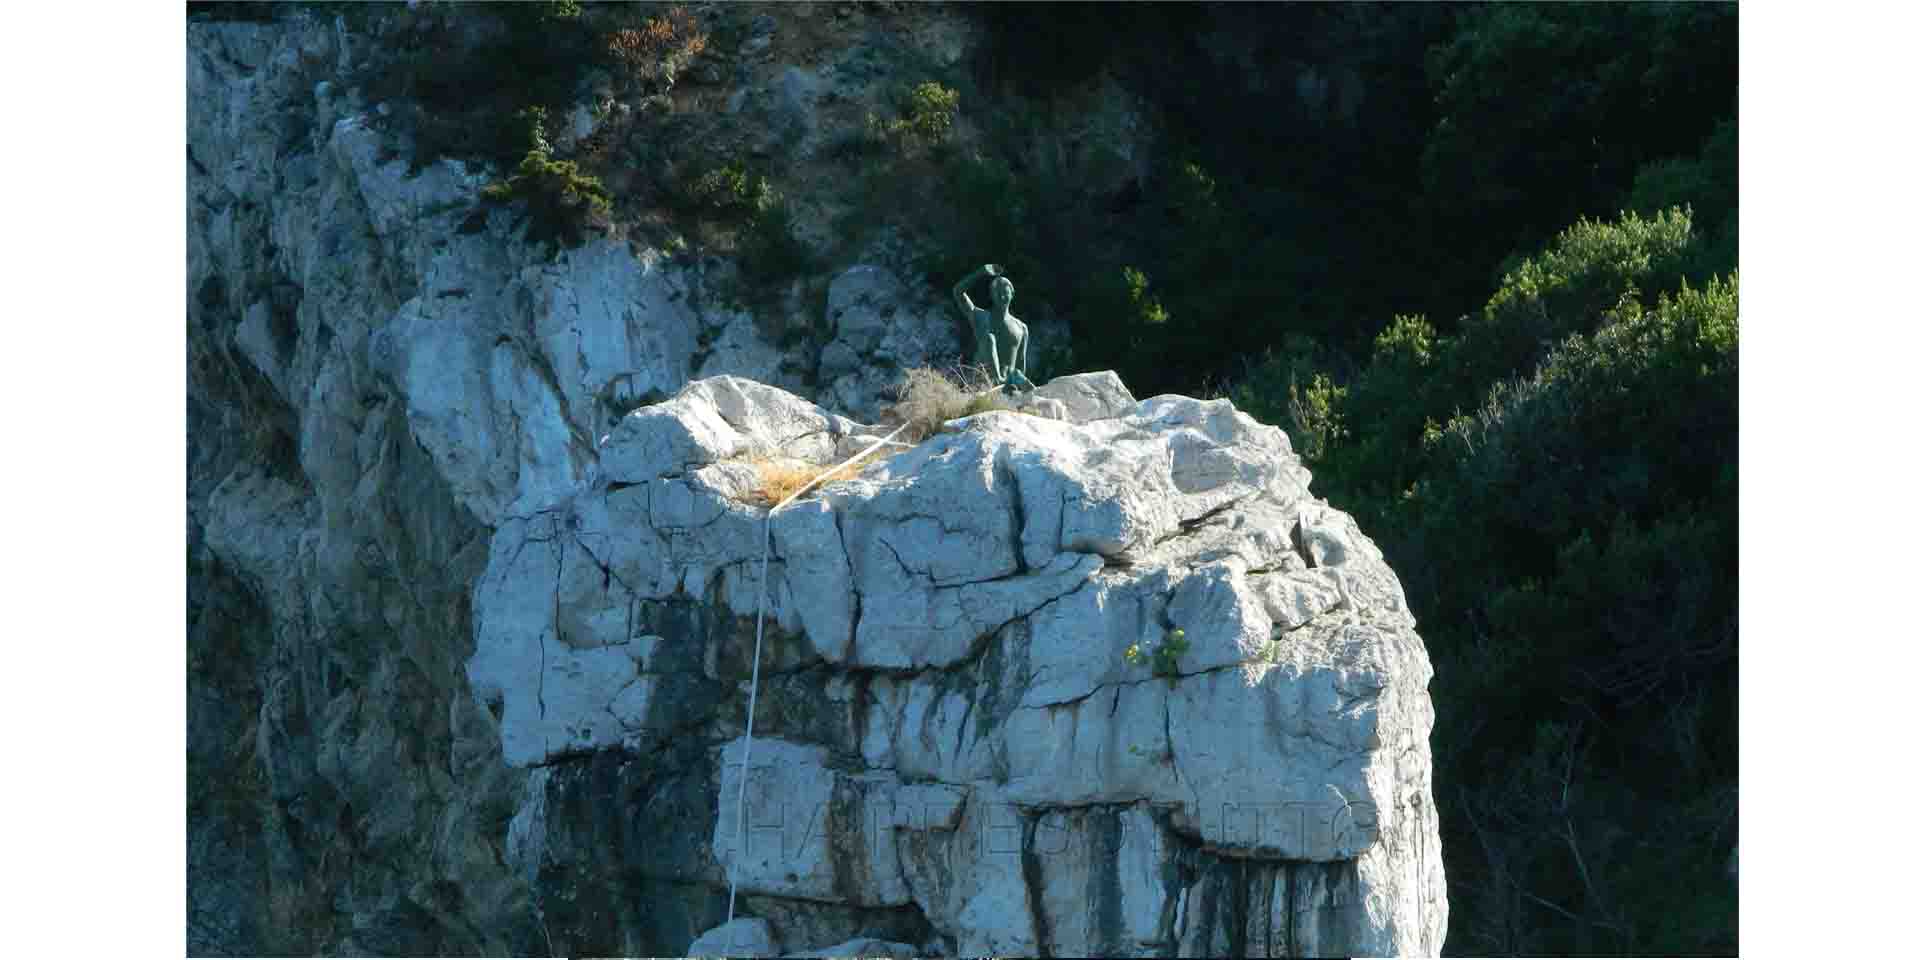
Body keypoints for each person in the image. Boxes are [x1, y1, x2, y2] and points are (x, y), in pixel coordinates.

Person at [951, 263, 1032, 391]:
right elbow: (958, 292)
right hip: (983, 383)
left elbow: (1021, 365)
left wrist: (1019, 385)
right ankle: (997, 379)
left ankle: (1004, 382)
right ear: (991, 295)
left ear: (1012, 293)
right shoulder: (981, 317)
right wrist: (981, 272)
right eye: (997, 293)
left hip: (1008, 385)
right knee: (989, 339)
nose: (1002, 296)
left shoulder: (1021, 327)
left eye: (1005, 292)